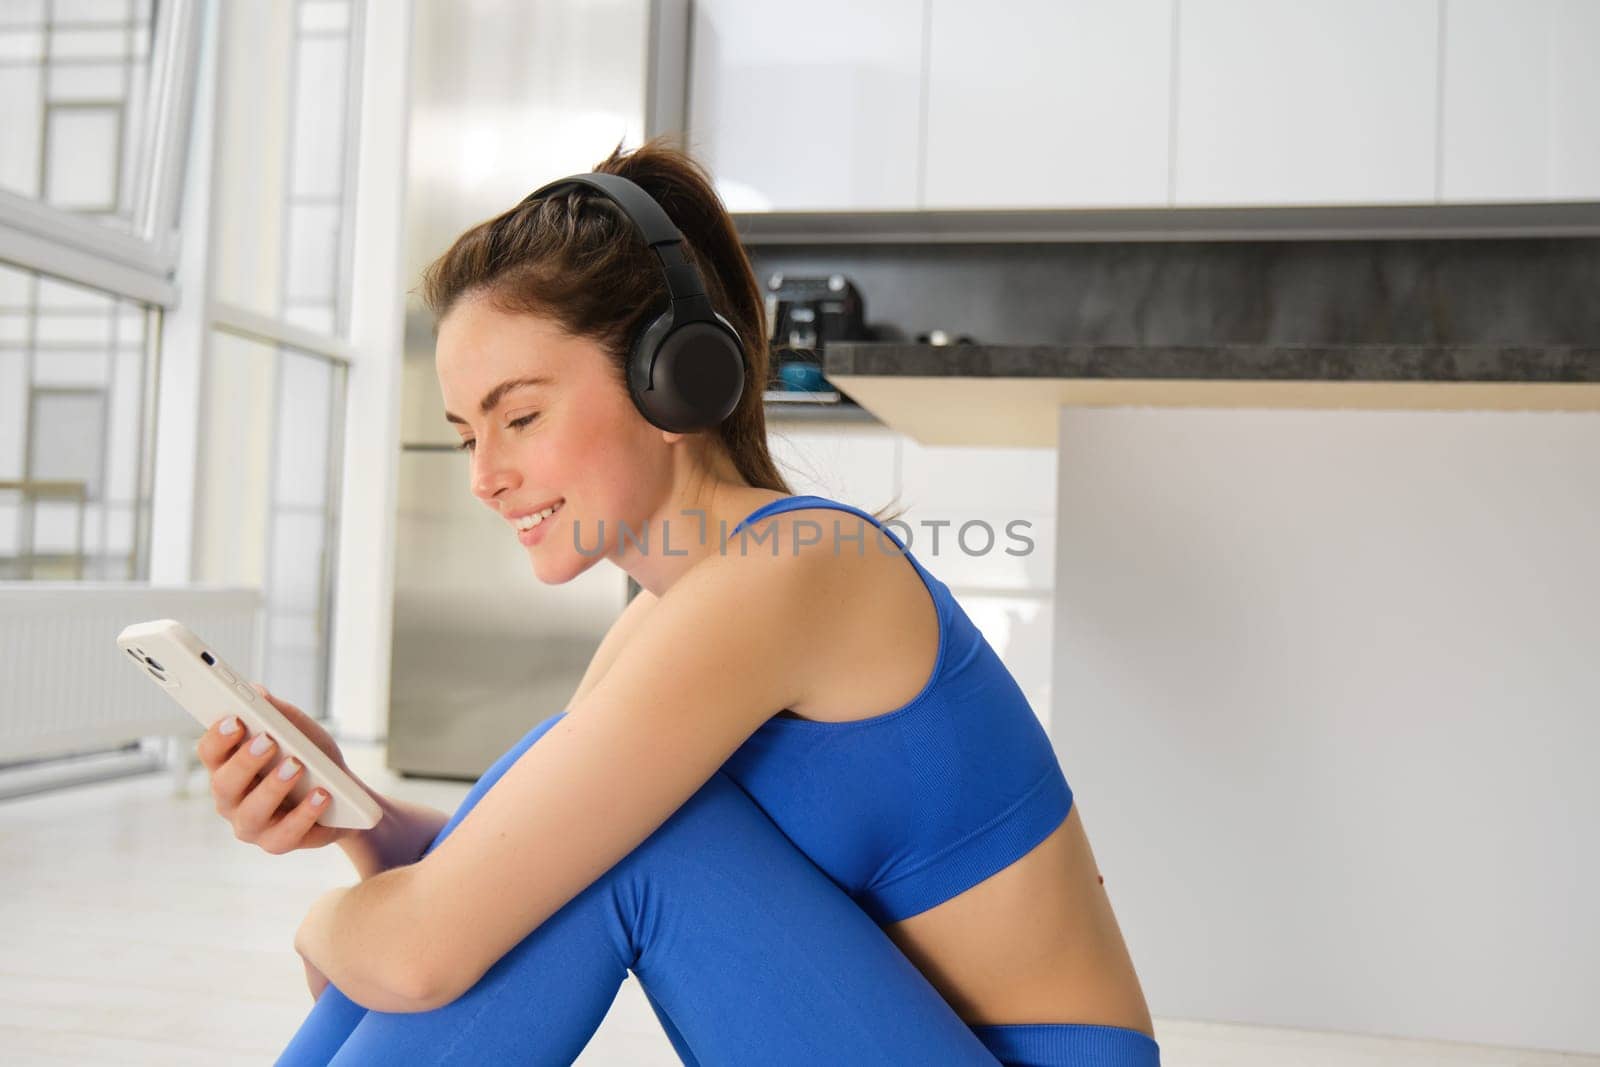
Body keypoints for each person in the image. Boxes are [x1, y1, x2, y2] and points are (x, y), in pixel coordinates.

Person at [195, 136, 1160, 1066]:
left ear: (671, 380)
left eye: (521, 416)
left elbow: (425, 952)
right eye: (465, 437)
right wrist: (354, 816)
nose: (486, 476)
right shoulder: (664, 617)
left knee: (628, 844)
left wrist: (332, 928)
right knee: (557, 816)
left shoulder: (796, 567)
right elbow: (517, 882)